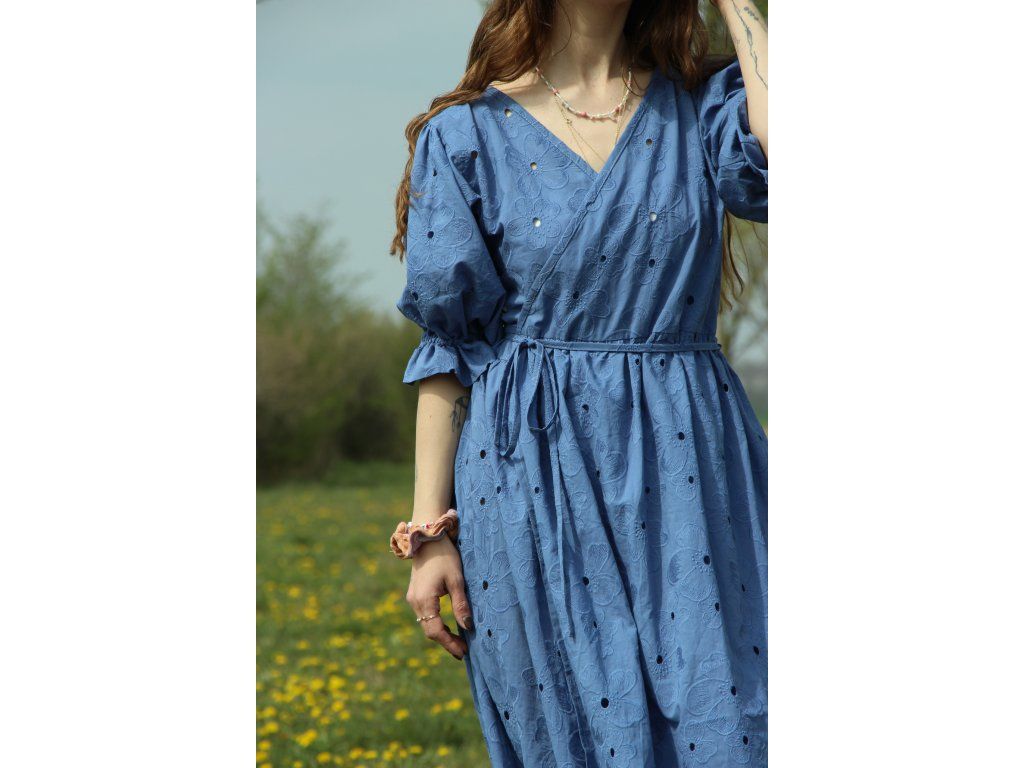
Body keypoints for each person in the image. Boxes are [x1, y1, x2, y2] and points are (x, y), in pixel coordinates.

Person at [389, 0, 768, 764]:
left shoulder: (703, 107)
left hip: (691, 469)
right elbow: (450, 347)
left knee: (729, 722)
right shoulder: (464, 134)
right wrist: (430, 532)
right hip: (530, 478)